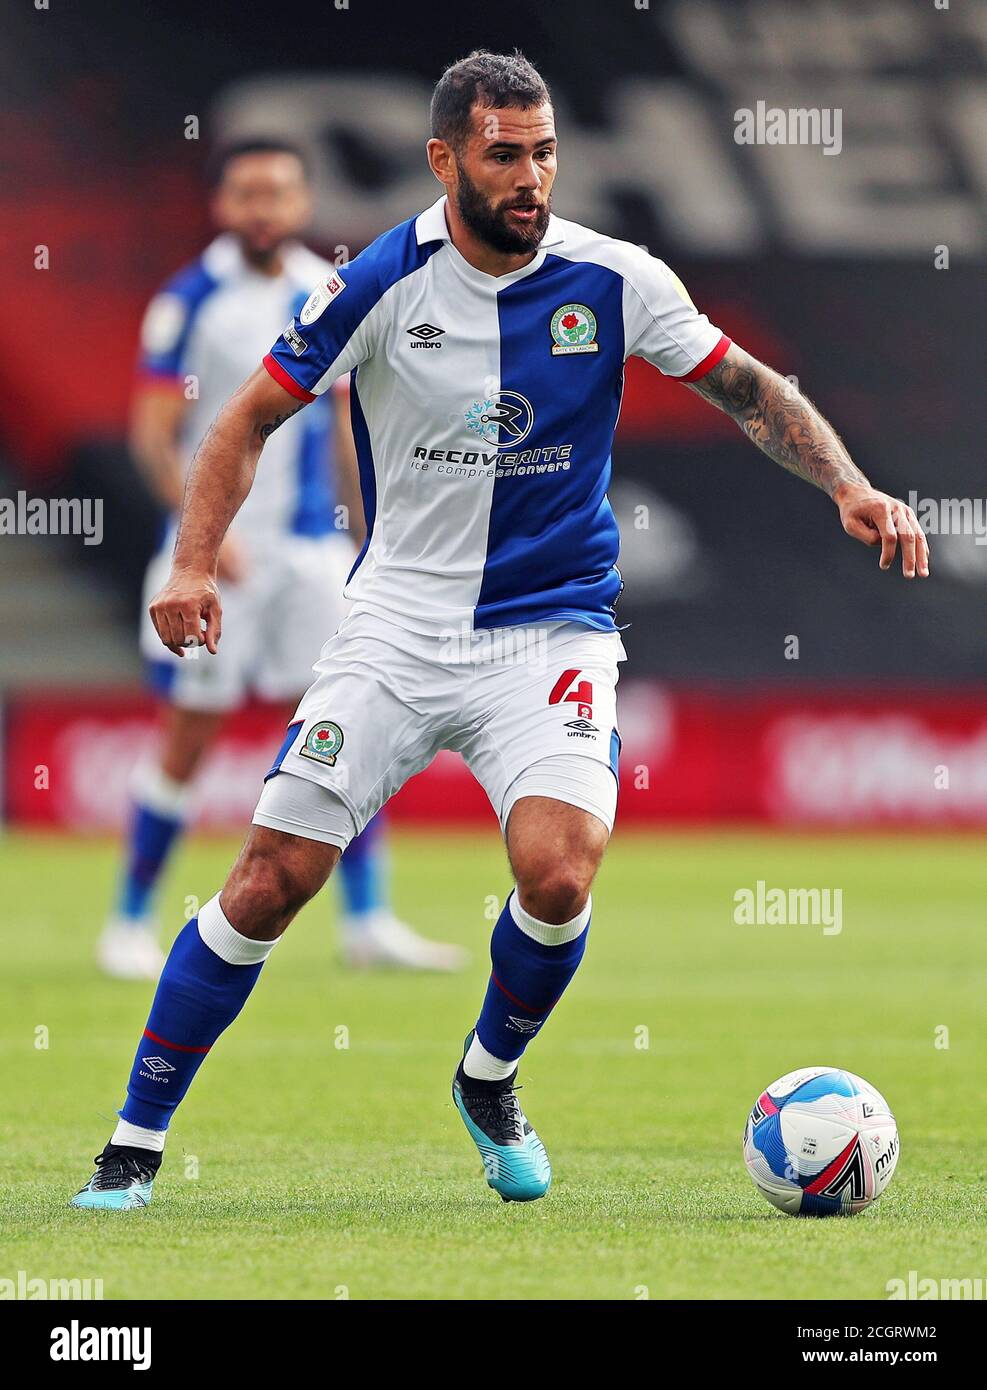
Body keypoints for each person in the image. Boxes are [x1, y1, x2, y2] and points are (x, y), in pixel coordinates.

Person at [71, 51, 929, 1210]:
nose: (533, 179)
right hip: (395, 628)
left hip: (552, 631)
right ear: (445, 162)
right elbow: (242, 423)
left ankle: (488, 1078)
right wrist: (187, 562)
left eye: (545, 153)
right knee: (272, 878)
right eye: (505, 156)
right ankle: (133, 1144)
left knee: (560, 873)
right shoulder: (375, 283)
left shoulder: (615, 278)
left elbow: (750, 387)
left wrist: (851, 487)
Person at [98, 137, 465, 981]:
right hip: (214, 554)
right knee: (189, 735)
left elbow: (346, 429)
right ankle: (128, 920)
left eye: (278, 193)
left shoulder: (324, 292)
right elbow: (153, 435)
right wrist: (205, 539)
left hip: (308, 555)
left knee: (349, 729)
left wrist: (374, 539)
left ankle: (367, 920)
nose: (262, 208)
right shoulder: (189, 299)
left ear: (301, 205)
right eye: (246, 193)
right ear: (223, 205)